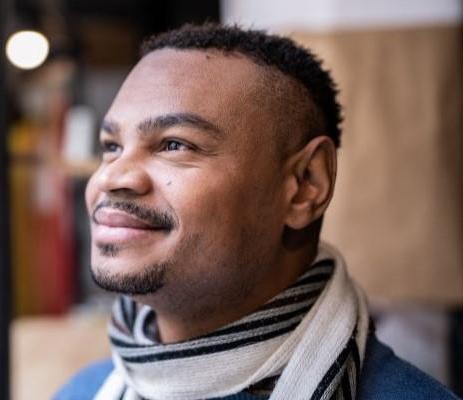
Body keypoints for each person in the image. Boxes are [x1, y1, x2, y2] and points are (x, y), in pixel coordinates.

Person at [55, 24, 460, 400]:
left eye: (175, 145)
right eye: (111, 146)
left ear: (305, 185)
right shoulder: (80, 392)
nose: (112, 178)